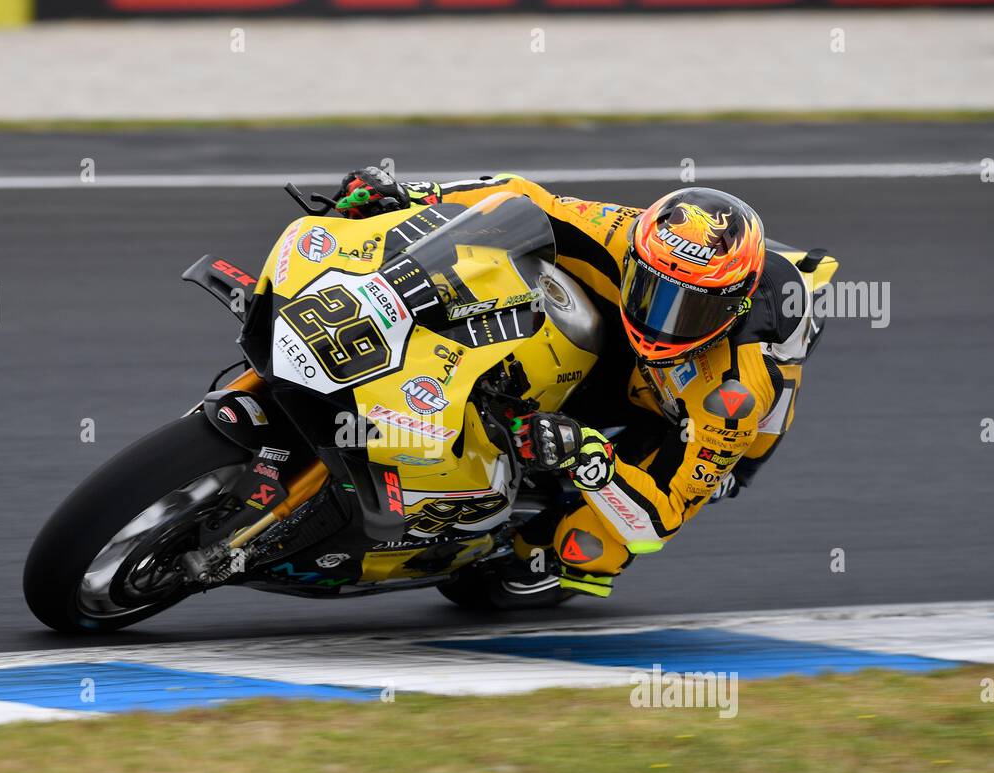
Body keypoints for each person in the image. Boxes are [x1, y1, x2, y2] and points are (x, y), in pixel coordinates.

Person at [333, 166, 822, 598]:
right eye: (654, 291)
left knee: (591, 545)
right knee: (513, 266)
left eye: (692, 309)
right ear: (636, 259)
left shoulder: (736, 393)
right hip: (620, 341)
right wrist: (413, 192)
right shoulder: (626, 235)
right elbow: (522, 198)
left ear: (734, 305)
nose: (662, 321)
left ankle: (530, 556)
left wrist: (589, 458)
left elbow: (659, 519)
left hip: (680, 415)